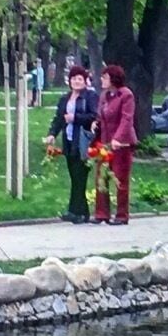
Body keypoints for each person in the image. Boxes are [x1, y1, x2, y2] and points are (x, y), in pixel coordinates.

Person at [47, 63, 97, 220]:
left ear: (85, 81)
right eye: (74, 78)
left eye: (80, 78)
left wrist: (75, 118)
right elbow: (59, 119)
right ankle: (80, 212)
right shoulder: (65, 99)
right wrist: (52, 134)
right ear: (69, 81)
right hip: (68, 142)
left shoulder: (90, 97)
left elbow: (94, 116)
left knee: (79, 176)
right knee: (74, 177)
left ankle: (76, 212)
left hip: (82, 142)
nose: (76, 81)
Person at [92, 60, 139, 226]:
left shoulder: (126, 95)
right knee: (101, 177)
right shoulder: (105, 95)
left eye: (105, 77)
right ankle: (101, 213)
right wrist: (95, 123)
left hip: (122, 144)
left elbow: (127, 119)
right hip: (105, 142)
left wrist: (118, 139)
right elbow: (101, 115)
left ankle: (121, 215)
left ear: (113, 78)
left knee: (120, 179)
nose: (102, 80)